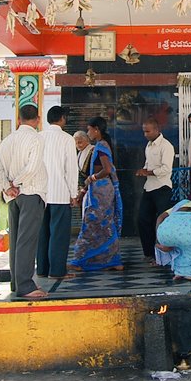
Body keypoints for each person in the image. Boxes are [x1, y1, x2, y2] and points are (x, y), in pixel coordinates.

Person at [0, 104, 48, 299]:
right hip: (31, 192)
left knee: (16, 239)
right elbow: (32, 167)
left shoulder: (7, 140)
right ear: (38, 119)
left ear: (19, 119)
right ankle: (25, 285)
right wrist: (16, 183)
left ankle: (17, 283)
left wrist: (8, 187)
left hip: (13, 196)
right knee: (26, 240)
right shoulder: (36, 139)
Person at [69, 116, 124, 272]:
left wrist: (92, 178)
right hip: (100, 189)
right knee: (104, 224)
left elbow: (106, 169)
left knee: (91, 224)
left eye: (89, 129)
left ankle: (79, 260)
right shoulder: (101, 145)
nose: (88, 132)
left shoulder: (100, 146)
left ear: (96, 129)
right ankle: (112, 260)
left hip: (101, 191)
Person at [37, 105, 79, 281]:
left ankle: (42, 269)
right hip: (60, 193)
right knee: (59, 234)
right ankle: (57, 271)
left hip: (40, 193)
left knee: (43, 233)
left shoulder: (38, 137)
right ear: (62, 118)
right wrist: (73, 192)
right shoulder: (67, 139)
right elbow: (70, 168)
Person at [137, 117, 175, 263]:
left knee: (163, 222)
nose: (145, 134)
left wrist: (148, 172)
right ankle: (149, 253)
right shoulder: (149, 145)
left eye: (147, 131)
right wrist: (144, 171)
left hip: (162, 188)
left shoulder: (166, 146)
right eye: (144, 132)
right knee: (143, 220)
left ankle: (164, 255)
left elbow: (166, 169)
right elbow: (148, 164)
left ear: (157, 130)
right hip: (149, 187)